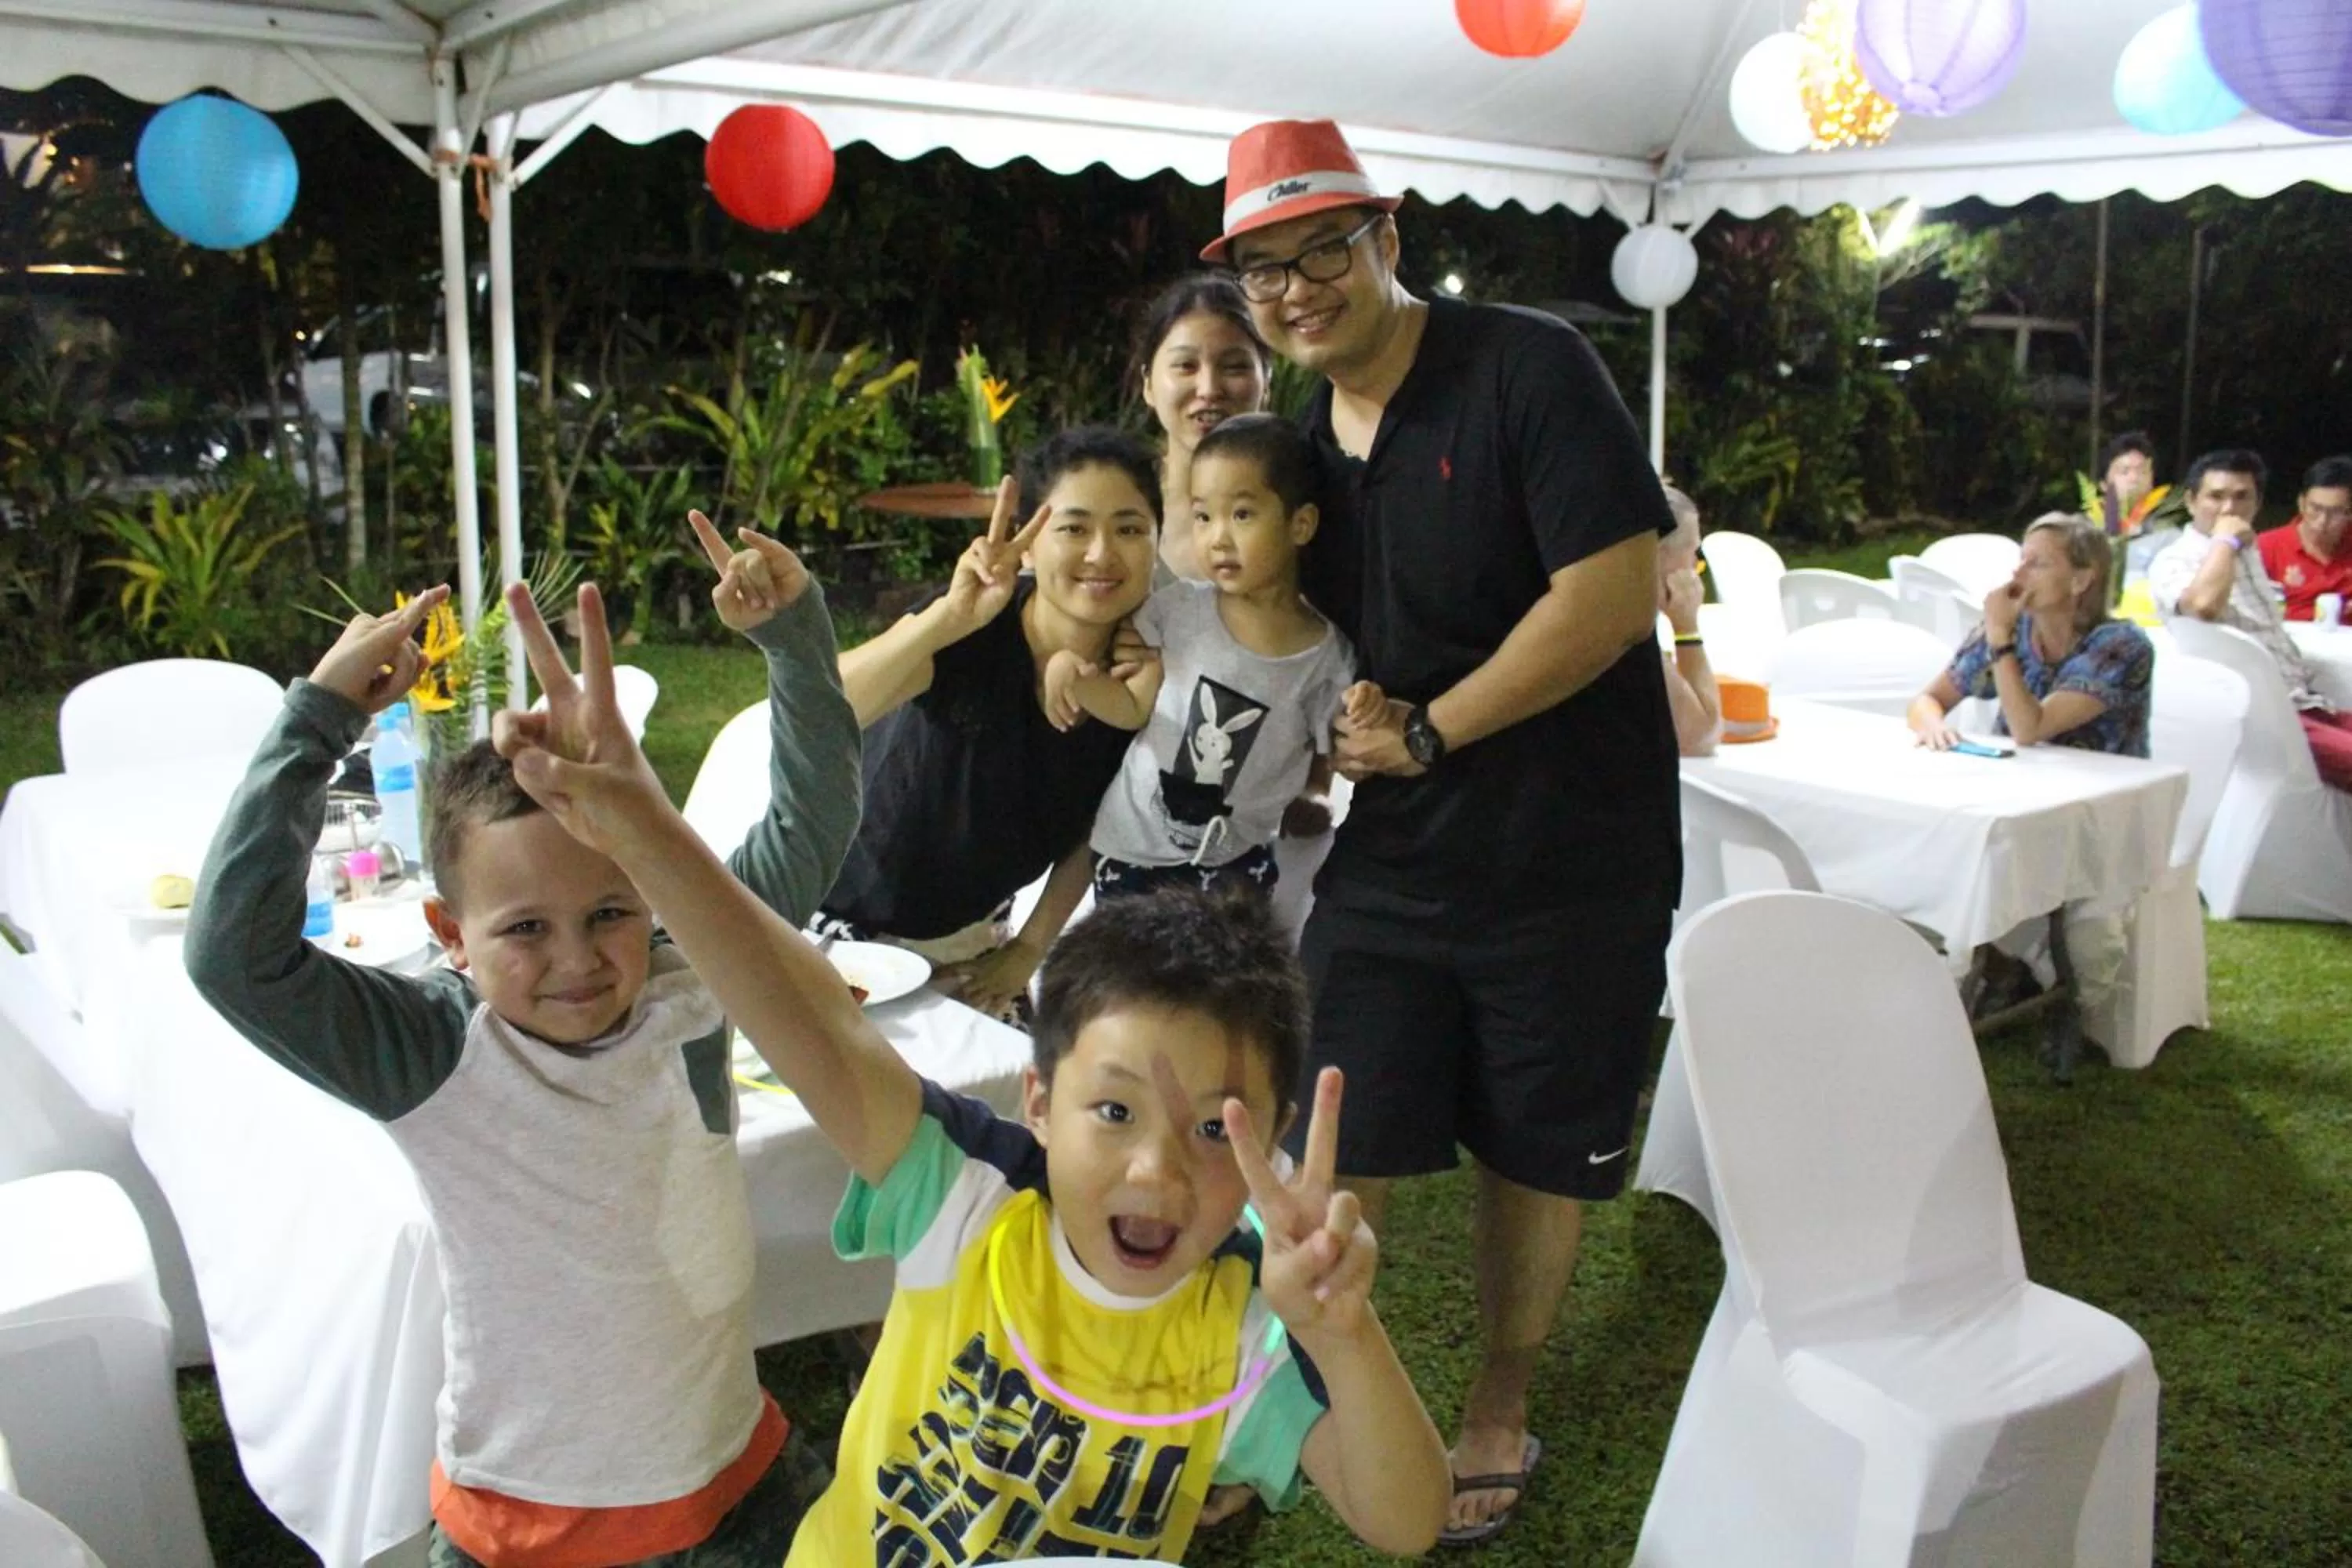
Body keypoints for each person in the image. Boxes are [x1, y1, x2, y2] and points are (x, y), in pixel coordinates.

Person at [486, 583, 1455, 1563]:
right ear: (1037, 1099)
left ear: (1274, 1133)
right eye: (1113, 1109)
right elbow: (808, 1012)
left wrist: (1343, 1334)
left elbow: (1405, 1518)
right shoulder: (965, 1196)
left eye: (1215, 1128)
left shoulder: (1241, 1322)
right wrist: (642, 827)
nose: (1154, 1170)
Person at [183, 529, 862, 1568]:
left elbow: (809, 826)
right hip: (535, 1525)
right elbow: (235, 954)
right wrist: (317, 719)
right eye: (525, 929)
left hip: (734, 1470)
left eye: (610, 911)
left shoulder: (694, 972)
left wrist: (792, 640)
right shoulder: (431, 1051)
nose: (579, 961)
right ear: (452, 938)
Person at [1204, 118, 1680, 1546]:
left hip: (1573, 851)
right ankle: (1292, 1391)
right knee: (1336, 1129)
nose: (1297, 290)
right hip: (1400, 857)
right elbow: (1239, 591)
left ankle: (1498, 1394)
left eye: (1322, 251)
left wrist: (1428, 730)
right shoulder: (1302, 453)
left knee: (1535, 1148)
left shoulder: (1525, 367)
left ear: (1387, 239)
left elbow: (1613, 590)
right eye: (1264, 271)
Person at [817, 428, 1161, 1018]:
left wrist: (1030, 947)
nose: (1103, 554)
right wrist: (945, 619)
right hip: (831, 923)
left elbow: (1102, 823)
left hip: (972, 941)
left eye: (1129, 529)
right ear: (1027, 544)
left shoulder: (1141, 679)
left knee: (1017, 1098)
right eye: (1074, 528)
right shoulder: (977, 623)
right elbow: (821, 712)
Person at [1052, 413, 1356, 902]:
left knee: (1227, 980)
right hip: (1133, 854)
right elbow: (1130, 707)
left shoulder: (1327, 658)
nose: (1217, 538)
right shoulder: (1175, 611)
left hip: (1238, 868)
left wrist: (1368, 720)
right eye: (1202, 516)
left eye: (1241, 515)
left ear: (1300, 524)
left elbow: (1339, 755)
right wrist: (1073, 674)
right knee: (1130, 978)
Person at [1907, 515, 2154, 1027]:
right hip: (2018, 798)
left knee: (2080, 931)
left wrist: (1999, 639)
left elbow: (2030, 727)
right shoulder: (2014, 628)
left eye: (2039, 562)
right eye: (2021, 558)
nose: (2020, 572)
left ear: (2082, 580)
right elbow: (1928, 698)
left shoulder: (2121, 647)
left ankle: (2043, 983)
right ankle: (1996, 967)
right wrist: (1933, 724)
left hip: (2100, 814)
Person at [2151, 448, 2352, 791]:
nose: (2229, 508)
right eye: (2216, 497)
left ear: (2257, 504)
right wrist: (2224, 542)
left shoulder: (2248, 551)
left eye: (2241, 497)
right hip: (2261, 714)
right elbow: (2202, 606)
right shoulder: (2177, 558)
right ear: (2191, 501)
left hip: (2302, 700)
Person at [1132, 273, 1275, 583]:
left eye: (1234, 367)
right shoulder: (1119, 504)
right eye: (1186, 366)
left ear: (1266, 384)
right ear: (1148, 385)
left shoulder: (1298, 508)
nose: (1209, 389)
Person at [1657, 485, 1721, 757]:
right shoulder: (1621, 629)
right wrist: (1686, 629)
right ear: (1659, 555)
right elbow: (1701, 735)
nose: (1696, 566)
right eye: (1693, 552)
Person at [2256, 455, 2352, 622]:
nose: (2323, 521)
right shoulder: (2267, 546)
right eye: (2316, 509)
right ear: (2301, 503)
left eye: (2335, 512)